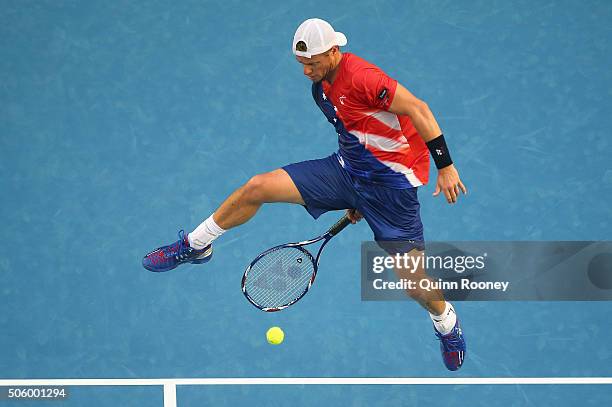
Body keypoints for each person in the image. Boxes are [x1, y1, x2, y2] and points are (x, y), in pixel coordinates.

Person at [142, 18, 468, 371]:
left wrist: (445, 166)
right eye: (301, 64)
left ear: (333, 51)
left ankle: (446, 322)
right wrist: (351, 196)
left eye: (312, 63)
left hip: (391, 190)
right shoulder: (321, 86)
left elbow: (419, 109)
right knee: (257, 187)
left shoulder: (363, 78)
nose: (305, 70)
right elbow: (356, 132)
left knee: (414, 284)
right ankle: (196, 244)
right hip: (345, 172)